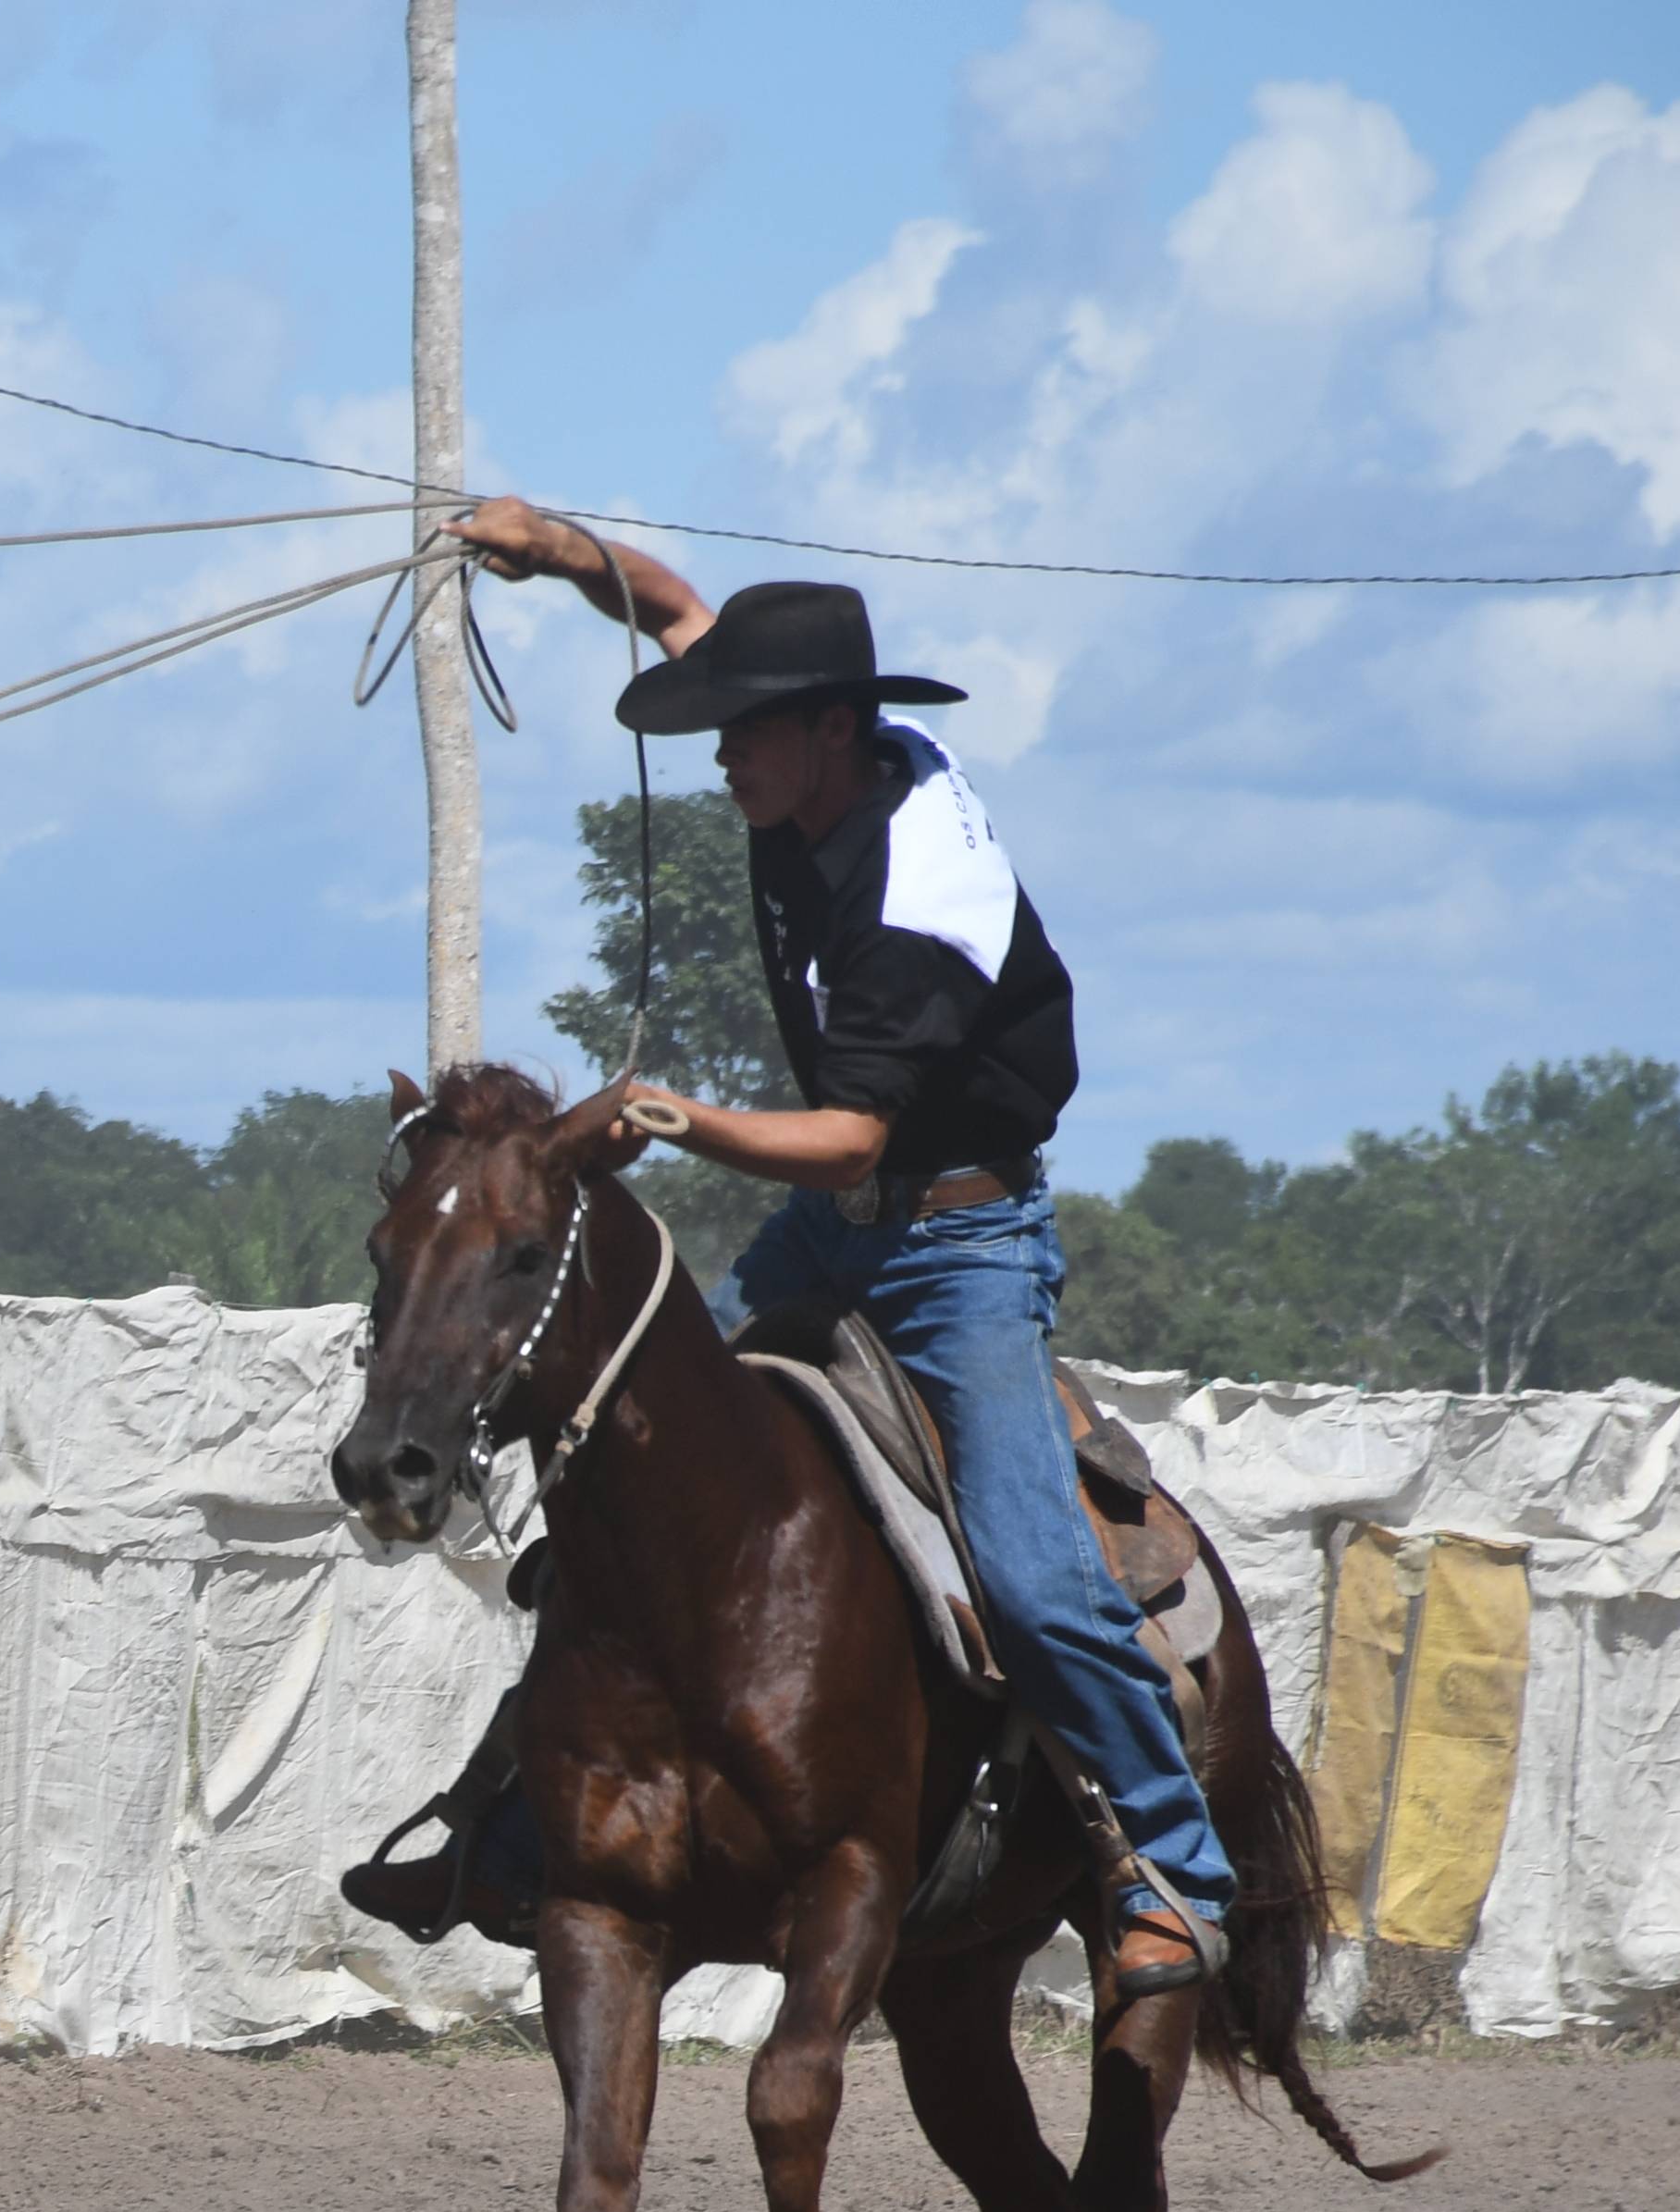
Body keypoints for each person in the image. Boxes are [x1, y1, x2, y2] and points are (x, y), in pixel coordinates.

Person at [339, 500, 1229, 2002]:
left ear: (826, 731)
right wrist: (558, 550)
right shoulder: (813, 769)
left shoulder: (920, 893)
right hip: (836, 1228)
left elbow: (857, 1141)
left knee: (1029, 1570)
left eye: (745, 733)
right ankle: (509, 1814)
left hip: (961, 1240)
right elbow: (677, 609)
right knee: (637, 1455)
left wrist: (677, 1118)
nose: (721, 756)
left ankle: (1173, 1867)